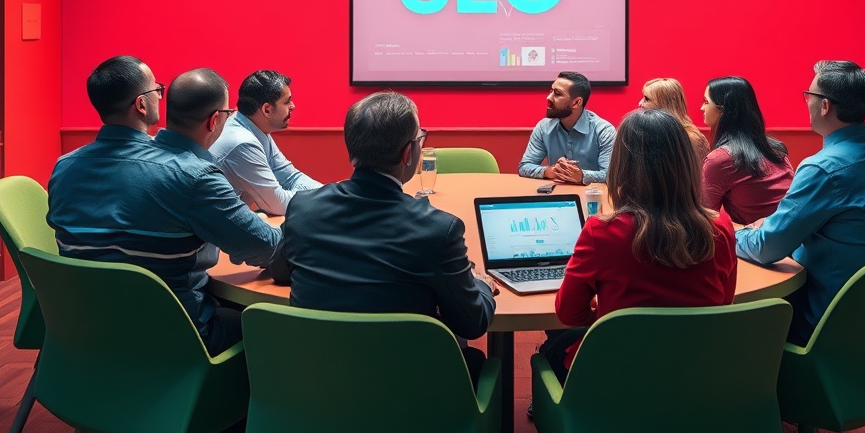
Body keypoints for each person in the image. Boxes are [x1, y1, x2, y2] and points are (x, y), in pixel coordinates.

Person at [47, 59, 283, 355]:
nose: (161, 95)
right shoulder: (190, 175)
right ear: (142, 105)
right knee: (276, 326)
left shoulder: (63, 167)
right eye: (157, 90)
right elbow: (267, 247)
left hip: (84, 330)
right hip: (170, 337)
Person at [271, 91, 498, 377]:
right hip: (408, 390)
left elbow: (280, 270)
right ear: (408, 153)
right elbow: (472, 323)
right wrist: (482, 285)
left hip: (319, 381)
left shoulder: (303, 207)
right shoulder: (438, 230)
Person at [538, 108, 737, 385]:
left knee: (552, 348)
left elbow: (569, 313)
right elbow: (723, 304)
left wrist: (605, 316)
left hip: (617, 374)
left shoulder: (601, 232)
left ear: (622, 165)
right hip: (693, 372)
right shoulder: (721, 228)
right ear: (686, 163)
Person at [735, 60, 865, 345]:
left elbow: (768, 248)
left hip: (824, 314)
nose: (806, 103)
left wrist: (732, 235)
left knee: (738, 321)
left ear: (825, 106)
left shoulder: (823, 169)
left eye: (809, 96)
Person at [209, 70, 321, 215]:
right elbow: (277, 204)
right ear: (267, 109)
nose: (292, 106)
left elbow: (290, 177)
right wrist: (326, 199)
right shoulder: (242, 142)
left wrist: (328, 193)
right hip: (212, 233)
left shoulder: (254, 127)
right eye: (287, 101)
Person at [700, 76, 793, 225]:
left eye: (706, 102)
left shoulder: (720, 159)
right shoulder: (776, 149)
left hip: (755, 243)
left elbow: (705, 218)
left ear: (722, 111)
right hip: (791, 237)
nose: (701, 108)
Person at [517, 71, 616, 185]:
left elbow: (610, 175)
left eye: (557, 93)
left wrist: (581, 176)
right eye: (551, 91)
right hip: (557, 196)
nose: (548, 97)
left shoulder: (604, 131)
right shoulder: (543, 127)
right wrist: (552, 171)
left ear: (576, 102)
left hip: (592, 197)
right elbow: (524, 166)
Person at [639, 77, 709, 170]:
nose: (640, 103)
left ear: (665, 104)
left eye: (647, 99)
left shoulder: (690, 138)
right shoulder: (653, 132)